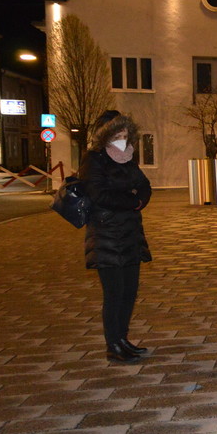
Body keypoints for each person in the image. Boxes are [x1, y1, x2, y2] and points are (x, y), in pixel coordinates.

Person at [78, 110, 152, 363]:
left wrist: (139, 198)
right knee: (114, 292)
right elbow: (99, 195)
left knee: (130, 290)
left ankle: (123, 338)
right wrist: (132, 200)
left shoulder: (127, 158)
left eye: (124, 134)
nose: (122, 139)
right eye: (116, 135)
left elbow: (144, 185)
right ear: (104, 136)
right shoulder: (94, 160)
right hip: (106, 235)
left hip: (130, 233)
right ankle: (113, 344)